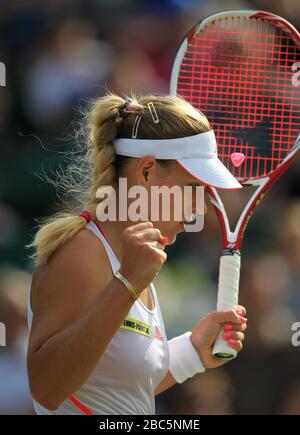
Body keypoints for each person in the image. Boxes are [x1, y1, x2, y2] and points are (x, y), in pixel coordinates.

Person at [26, 93, 247, 415]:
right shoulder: (82, 254)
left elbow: (114, 391)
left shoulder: (133, 257)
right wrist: (127, 282)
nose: (199, 208)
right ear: (146, 171)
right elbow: (47, 389)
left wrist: (192, 352)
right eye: (192, 188)